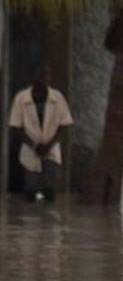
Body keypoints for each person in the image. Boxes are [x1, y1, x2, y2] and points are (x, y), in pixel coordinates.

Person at [8, 65, 73, 202]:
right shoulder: (21, 98)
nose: (44, 78)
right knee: (30, 189)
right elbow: (15, 126)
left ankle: (48, 221)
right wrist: (34, 145)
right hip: (30, 148)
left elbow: (64, 124)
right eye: (41, 74)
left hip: (51, 147)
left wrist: (49, 145)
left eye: (47, 74)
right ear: (33, 76)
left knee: (50, 188)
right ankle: (31, 220)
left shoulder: (57, 97)